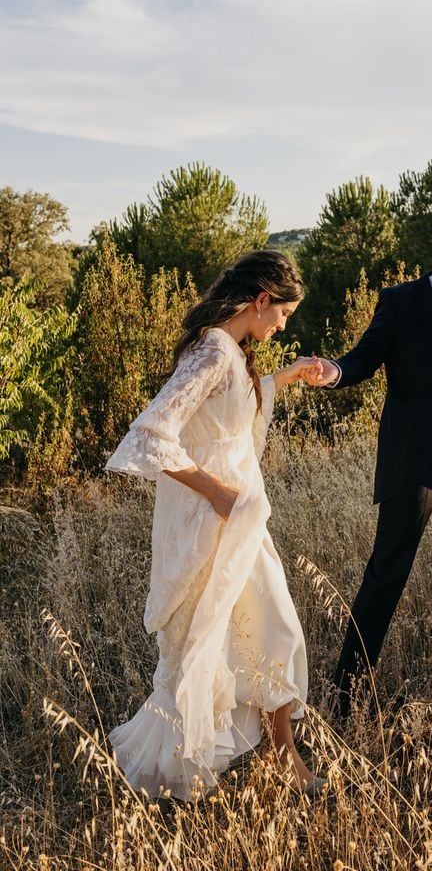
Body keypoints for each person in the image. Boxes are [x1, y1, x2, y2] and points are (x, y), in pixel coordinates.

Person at [105, 251, 324, 802]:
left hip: (244, 521)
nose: (281, 326)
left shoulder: (232, 351)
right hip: (213, 524)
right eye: (282, 315)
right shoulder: (211, 350)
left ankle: (283, 757)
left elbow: (231, 417)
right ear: (261, 300)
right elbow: (152, 435)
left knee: (270, 626)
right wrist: (220, 494)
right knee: (215, 639)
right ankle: (189, 760)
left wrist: (286, 377)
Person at [302, 212, 432, 713]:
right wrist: (333, 372)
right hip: (412, 461)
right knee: (388, 572)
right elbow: (362, 359)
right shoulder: (400, 302)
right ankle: (348, 692)